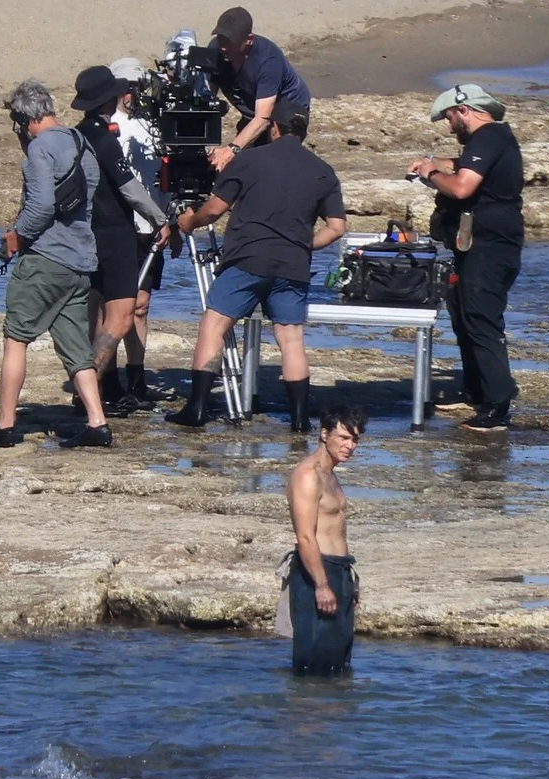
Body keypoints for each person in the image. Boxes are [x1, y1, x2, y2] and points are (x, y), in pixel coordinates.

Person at [166, 98, 346, 431]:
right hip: (292, 264)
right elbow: (336, 228)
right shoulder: (323, 170)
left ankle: (197, 408)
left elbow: (214, 210)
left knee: (214, 325)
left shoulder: (249, 160)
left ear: (273, 127)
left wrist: (189, 222)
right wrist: (302, 244)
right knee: (291, 339)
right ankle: (299, 420)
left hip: (248, 258)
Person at [0, 79, 112, 449]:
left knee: (16, 338)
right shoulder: (81, 143)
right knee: (77, 348)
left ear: (24, 120)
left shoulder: (40, 149)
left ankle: (5, 426)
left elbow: (42, 206)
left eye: (16, 125)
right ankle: (97, 423)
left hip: (45, 260)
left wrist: (16, 237)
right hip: (81, 261)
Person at [407, 84, 523, 432]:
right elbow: (462, 165)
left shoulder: (489, 137)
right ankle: (477, 392)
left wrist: (430, 175)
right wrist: (434, 164)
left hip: (491, 248)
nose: (449, 126)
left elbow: (461, 187)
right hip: (478, 246)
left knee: (481, 318)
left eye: (449, 118)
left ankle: (497, 406)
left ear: (465, 110)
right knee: (464, 314)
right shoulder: (489, 141)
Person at [72, 65, 171, 412]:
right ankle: (86, 391)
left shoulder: (78, 135)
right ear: (109, 99)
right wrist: (161, 219)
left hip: (88, 233)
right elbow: (130, 188)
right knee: (121, 316)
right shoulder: (104, 139)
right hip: (115, 235)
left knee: (97, 312)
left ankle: (99, 390)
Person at [108, 56, 180, 406]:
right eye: (128, 88)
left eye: (138, 87)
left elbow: (163, 177)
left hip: (151, 227)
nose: (134, 94)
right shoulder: (108, 126)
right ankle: (107, 376)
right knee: (113, 306)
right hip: (119, 226)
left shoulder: (152, 124)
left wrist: (172, 222)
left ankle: (136, 378)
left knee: (141, 305)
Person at [283, 405, 367, 673]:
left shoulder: (330, 474)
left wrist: (348, 584)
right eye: (343, 438)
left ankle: (335, 703)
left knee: (338, 661)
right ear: (324, 434)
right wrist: (321, 585)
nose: (350, 446)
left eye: (355, 439)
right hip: (316, 573)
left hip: (339, 572)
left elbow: (336, 530)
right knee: (313, 663)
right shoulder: (308, 475)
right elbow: (305, 537)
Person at [207, 6, 312, 172]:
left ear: (249, 40)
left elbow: (263, 118)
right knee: (244, 161)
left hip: (287, 107)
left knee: (276, 162)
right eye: (221, 39)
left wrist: (231, 150)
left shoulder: (267, 60)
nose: (223, 47)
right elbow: (205, 98)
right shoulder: (216, 50)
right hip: (253, 106)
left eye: (230, 42)